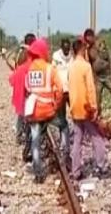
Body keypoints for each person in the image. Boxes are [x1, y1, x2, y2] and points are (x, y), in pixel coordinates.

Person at [69, 38, 108, 180]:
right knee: (97, 138)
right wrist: (94, 107)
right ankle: (101, 166)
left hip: (75, 108)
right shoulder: (86, 67)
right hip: (86, 108)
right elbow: (91, 89)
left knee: (77, 141)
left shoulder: (71, 66)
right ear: (82, 50)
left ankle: (76, 171)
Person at [25, 39, 63, 183]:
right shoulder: (50, 68)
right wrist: (56, 105)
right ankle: (65, 153)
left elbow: (27, 88)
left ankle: (38, 171)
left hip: (34, 111)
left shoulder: (30, 69)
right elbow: (59, 89)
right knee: (64, 126)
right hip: (48, 111)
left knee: (35, 140)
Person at [83, 28, 111, 113]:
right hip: (98, 78)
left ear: (92, 36)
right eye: (86, 39)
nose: (88, 40)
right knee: (97, 99)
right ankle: (98, 114)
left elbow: (110, 58)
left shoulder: (101, 44)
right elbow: (89, 63)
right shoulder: (88, 50)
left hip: (107, 75)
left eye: (89, 38)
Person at [9, 35, 36, 146]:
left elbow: (16, 66)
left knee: (21, 112)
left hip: (20, 83)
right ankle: (28, 134)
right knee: (30, 111)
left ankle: (19, 135)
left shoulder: (20, 52)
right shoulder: (31, 53)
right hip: (29, 83)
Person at [51, 38, 73, 164]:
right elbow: (53, 72)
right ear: (61, 47)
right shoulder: (55, 57)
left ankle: (72, 139)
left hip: (70, 90)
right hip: (59, 92)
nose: (66, 50)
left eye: (68, 48)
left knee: (75, 115)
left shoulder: (72, 58)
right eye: (64, 48)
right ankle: (64, 142)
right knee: (61, 118)